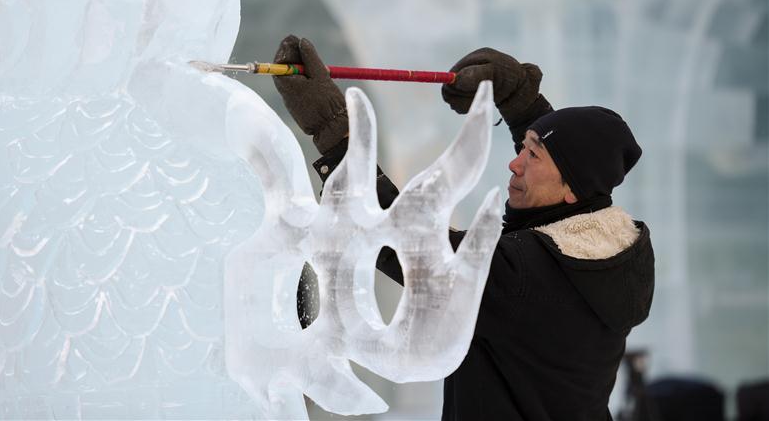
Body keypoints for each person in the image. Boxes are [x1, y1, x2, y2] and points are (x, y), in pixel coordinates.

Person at [272, 35, 656, 421]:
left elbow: (404, 244)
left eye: (532, 155)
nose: (515, 163)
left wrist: (336, 135)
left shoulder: (523, 275)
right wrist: (522, 103)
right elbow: (570, 160)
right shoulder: (614, 262)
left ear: (571, 190)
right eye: (523, 146)